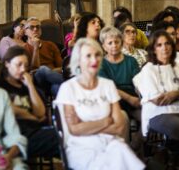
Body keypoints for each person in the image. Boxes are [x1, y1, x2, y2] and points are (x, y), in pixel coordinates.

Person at [55, 38, 144, 170]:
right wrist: (106, 121)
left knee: (121, 152)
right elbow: (74, 129)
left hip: (110, 142)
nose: (94, 60)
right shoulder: (68, 88)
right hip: (82, 146)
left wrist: (87, 126)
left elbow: (119, 127)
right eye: (88, 56)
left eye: (97, 55)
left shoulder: (108, 85)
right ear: (78, 60)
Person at [133, 29, 179, 170]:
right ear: (153, 49)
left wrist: (176, 94)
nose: (164, 48)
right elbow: (157, 100)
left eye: (167, 44)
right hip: (159, 113)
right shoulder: (149, 69)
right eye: (159, 45)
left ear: (172, 46)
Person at [0, 45, 58, 160]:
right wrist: (30, 116)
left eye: (26, 65)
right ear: (7, 64)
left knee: (67, 139)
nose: (23, 69)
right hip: (15, 135)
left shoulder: (26, 86)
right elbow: (5, 108)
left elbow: (40, 113)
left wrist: (30, 86)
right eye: (19, 64)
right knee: (62, 139)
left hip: (34, 132)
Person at [98, 27, 141, 115]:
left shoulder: (131, 61)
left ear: (121, 43)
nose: (114, 45)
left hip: (133, 96)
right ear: (104, 47)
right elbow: (108, 88)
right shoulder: (101, 64)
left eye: (117, 42)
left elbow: (139, 83)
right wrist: (129, 99)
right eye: (110, 43)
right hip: (112, 98)